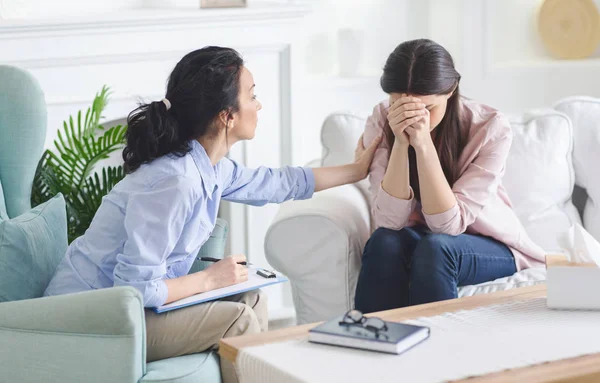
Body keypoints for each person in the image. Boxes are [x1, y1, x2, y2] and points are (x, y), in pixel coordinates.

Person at [44, 46, 382, 382]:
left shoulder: (209, 167)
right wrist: (210, 279)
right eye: (252, 96)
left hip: (126, 311)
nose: (259, 105)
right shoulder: (176, 181)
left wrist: (357, 170)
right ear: (227, 115)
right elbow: (135, 288)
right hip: (90, 321)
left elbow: (278, 183)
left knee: (252, 297)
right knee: (239, 320)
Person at [354, 39, 545, 314]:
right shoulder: (381, 117)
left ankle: (442, 353)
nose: (411, 118)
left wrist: (422, 144)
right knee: (383, 242)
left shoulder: (490, 127)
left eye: (427, 109)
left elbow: (447, 226)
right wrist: (400, 142)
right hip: (419, 236)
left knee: (437, 247)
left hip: (488, 243)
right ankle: (370, 346)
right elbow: (389, 221)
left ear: (450, 90)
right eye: (398, 105)